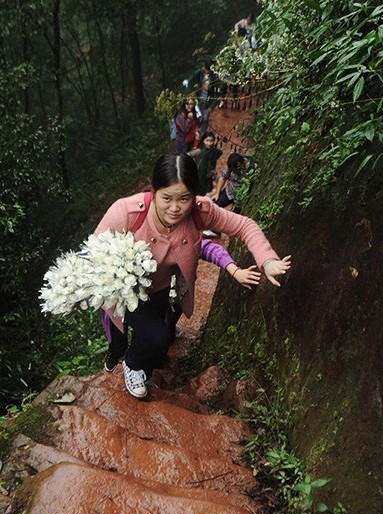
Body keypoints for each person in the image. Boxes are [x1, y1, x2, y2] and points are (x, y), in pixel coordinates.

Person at [95, 152, 291, 399]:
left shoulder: (201, 211)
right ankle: (117, 355)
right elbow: (93, 252)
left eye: (184, 199)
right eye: (166, 198)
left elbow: (244, 226)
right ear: (154, 191)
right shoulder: (127, 212)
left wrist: (267, 259)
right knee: (122, 341)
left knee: (158, 338)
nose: (175, 208)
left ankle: (134, 365)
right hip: (124, 293)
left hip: (161, 290)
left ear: (195, 196)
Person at [102, 238, 261, 373]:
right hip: (125, 300)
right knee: (119, 342)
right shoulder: (139, 244)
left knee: (162, 338)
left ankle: (146, 364)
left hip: (169, 299)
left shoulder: (183, 241)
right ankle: (115, 356)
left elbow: (209, 248)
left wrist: (234, 270)